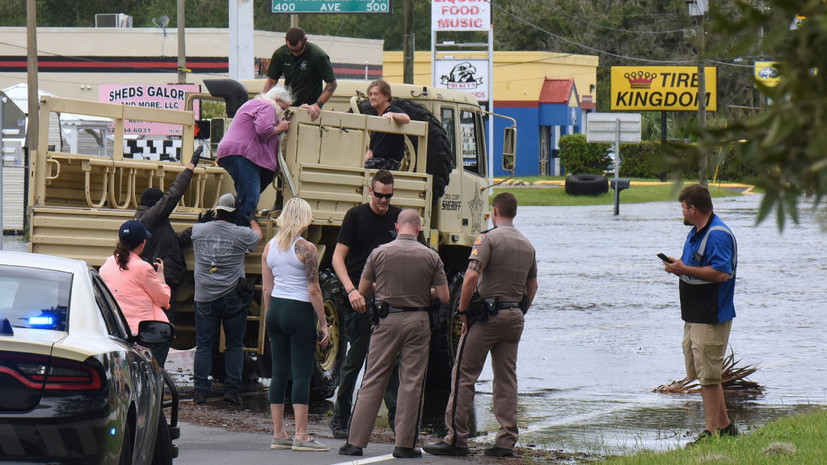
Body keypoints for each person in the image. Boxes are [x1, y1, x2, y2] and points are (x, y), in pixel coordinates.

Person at [424, 192, 538, 459]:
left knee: (463, 375)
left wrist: (463, 311)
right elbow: (532, 286)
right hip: (514, 318)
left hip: (487, 318)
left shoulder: (487, 239)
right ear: (515, 213)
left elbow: (472, 274)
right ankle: (506, 440)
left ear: (494, 212)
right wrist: (521, 310)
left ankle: (456, 438)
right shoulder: (527, 244)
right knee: (506, 378)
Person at [338, 209, 450, 459]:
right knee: (411, 382)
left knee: (373, 378)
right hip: (418, 321)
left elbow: (364, 289)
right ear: (419, 229)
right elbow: (444, 296)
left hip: (386, 320)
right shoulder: (431, 256)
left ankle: (354, 443)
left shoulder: (379, 253)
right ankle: (405, 444)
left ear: (397, 227)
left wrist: (384, 287)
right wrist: (426, 291)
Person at [661, 184, 738, 445]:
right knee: (704, 373)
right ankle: (726, 428)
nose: (681, 212)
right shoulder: (695, 232)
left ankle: (710, 432)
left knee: (708, 376)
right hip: (694, 314)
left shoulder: (718, 235)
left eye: (682, 207)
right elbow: (694, 266)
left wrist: (685, 269)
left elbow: (721, 273)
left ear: (693, 208)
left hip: (711, 314)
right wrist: (679, 267)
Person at [328, 169, 401, 439]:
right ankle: (340, 418)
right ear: (371, 191)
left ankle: (397, 421)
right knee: (354, 361)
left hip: (389, 301)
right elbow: (337, 258)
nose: (384, 201)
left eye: (389, 196)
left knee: (391, 362)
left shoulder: (398, 218)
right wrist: (351, 291)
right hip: (359, 300)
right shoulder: (355, 216)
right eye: (380, 196)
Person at [261, 197, 330, 452]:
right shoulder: (306, 248)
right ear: (304, 219)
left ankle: (279, 433)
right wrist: (323, 323)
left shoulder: (269, 247)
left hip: (276, 310)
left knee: (279, 372)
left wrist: (271, 319)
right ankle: (301, 435)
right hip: (299, 310)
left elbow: (267, 289)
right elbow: (314, 289)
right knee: (301, 373)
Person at [191, 193, 262, 405]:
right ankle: (232, 392)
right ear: (234, 213)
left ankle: (200, 392)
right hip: (232, 296)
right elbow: (257, 236)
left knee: (203, 345)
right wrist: (251, 218)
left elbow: (194, 233)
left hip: (204, 296)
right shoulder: (241, 233)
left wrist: (202, 223)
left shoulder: (198, 230)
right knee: (234, 345)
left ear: (218, 210)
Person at [134, 147, 202, 327]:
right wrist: (191, 166)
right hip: (161, 279)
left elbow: (173, 242)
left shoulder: (149, 221)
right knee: (163, 326)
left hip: (161, 277)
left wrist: (198, 228)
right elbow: (173, 195)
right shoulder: (151, 217)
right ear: (156, 204)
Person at [216, 86, 292, 227]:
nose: (282, 112)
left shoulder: (254, 104)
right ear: (277, 100)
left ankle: (236, 223)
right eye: (283, 107)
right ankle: (242, 233)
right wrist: (281, 127)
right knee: (250, 198)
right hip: (243, 154)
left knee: (247, 194)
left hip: (234, 152)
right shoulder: (268, 105)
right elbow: (264, 130)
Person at [100, 220, 171, 365]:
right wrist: (161, 278)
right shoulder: (144, 268)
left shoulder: (107, 263)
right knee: (164, 339)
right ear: (142, 243)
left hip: (111, 327)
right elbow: (163, 300)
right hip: (139, 333)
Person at [264, 27, 337, 121]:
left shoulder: (318, 55)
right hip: (289, 106)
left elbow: (332, 84)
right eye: (291, 50)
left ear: (305, 40)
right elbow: (271, 82)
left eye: (298, 50)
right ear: (285, 40)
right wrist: (264, 102)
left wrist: (317, 105)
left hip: (311, 109)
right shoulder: (280, 54)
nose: (295, 53)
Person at [363, 80, 411, 171]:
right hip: (377, 160)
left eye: (376, 94)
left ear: (386, 96)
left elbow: (406, 118)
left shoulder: (392, 109)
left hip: (389, 162)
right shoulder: (379, 118)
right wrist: (358, 165)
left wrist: (392, 114)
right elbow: (371, 151)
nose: (372, 97)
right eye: (370, 94)